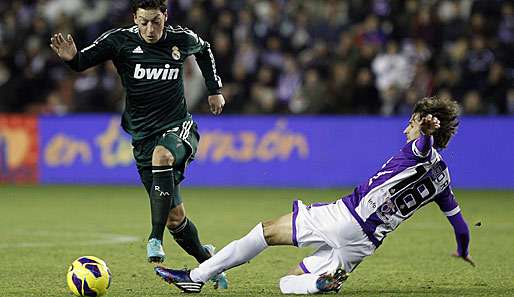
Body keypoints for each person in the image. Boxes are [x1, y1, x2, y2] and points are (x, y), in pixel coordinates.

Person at [154, 97, 474, 294]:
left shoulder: (417, 148)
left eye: (412, 122)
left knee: (265, 232)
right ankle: (318, 284)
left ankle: (196, 277)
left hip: (347, 218)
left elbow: (423, 147)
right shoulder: (443, 179)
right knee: (288, 283)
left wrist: (427, 131)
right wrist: (462, 249)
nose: (407, 128)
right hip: (365, 244)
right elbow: (459, 225)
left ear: (423, 126)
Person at [50, 0, 228, 288]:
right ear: (134, 18)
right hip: (142, 137)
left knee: (162, 156)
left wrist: (214, 90)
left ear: (165, 17)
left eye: (155, 21)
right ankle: (209, 262)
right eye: (143, 21)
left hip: (178, 127)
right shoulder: (118, 40)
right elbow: (82, 61)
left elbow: (205, 49)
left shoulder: (180, 38)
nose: (149, 28)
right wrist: (72, 58)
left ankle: (154, 238)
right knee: (175, 219)